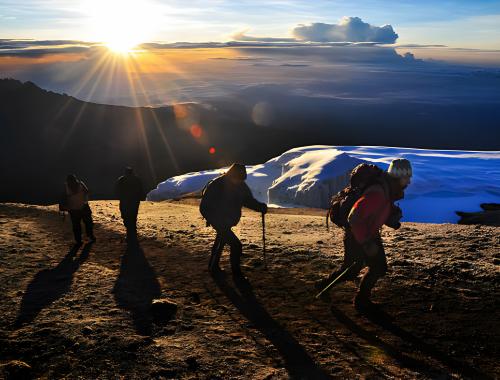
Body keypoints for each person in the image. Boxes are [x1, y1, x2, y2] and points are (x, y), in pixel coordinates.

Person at [317, 158, 412, 311]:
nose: (409, 182)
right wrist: (366, 242)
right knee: (354, 269)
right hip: (359, 235)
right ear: (400, 177)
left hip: (367, 233)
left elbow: (373, 211)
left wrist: (389, 217)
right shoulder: (378, 192)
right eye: (407, 177)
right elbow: (354, 218)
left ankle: (360, 299)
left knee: (374, 267)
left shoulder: (385, 188)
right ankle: (326, 288)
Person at [200, 163, 268, 277]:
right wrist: (215, 220)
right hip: (218, 220)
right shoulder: (218, 185)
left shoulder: (240, 185)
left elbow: (247, 200)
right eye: (237, 179)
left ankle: (213, 266)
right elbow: (205, 206)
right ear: (231, 175)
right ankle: (236, 274)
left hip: (227, 220)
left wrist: (260, 207)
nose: (239, 182)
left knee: (221, 240)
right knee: (236, 245)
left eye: (241, 180)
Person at [115, 167, 145, 245]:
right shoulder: (137, 179)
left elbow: (117, 190)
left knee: (126, 216)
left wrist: (120, 197)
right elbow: (141, 189)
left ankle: (130, 234)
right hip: (134, 202)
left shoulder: (121, 179)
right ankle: (133, 234)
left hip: (125, 202)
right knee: (133, 217)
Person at [63, 174, 95, 245]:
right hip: (83, 207)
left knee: (76, 225)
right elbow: (87, 192)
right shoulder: (80, 184)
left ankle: (78, 240)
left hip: (73, 209)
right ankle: (90, 236)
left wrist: (66, 207)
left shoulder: (66, 187)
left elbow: (63, 198)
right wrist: (85, 200)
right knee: (88, 223)